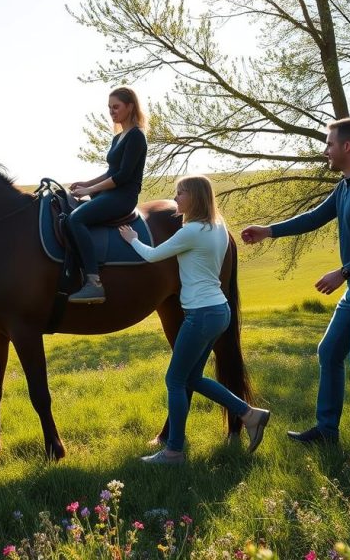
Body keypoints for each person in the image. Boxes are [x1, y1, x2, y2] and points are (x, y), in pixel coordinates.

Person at [240, 118, 350, 460]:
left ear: (347, 146)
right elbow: (315, 216)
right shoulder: (348, 185)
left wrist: (343, 272)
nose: (325, 150)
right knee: (329, 352)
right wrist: (269, 231)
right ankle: (327, 430)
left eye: (329, 143)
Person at [120, 175, 270, 464]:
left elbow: (152, 256)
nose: (176, 198)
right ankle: (250, 414)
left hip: (200, 315)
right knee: (193, 378)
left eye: (181, 193)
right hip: (218, 312)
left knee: (175, 380)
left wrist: (133, 239)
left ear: (197, 198)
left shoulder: (191, 232)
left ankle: (174, 450)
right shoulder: (218, 226)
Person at [67, 86, 148, 304]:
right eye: (109, 107)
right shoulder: (118, 138)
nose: (112, 111)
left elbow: (122, 176)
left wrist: (89, 190)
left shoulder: (136, 136)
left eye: (116, 106)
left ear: (130, 106)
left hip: (124, 197)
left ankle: (94, 283)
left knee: (76, 219)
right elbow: (111, 171)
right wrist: (87, 183)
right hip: (110, 192)